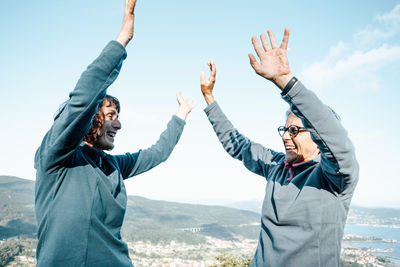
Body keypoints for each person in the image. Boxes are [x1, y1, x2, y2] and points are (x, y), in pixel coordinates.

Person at [34, 1, 194, 266]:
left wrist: (181, 116)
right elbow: (82, 100)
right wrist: (122, 39)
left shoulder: (112, 165)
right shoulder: (56, 157)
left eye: (117, 117)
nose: (118, 125)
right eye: (110, 116)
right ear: (88, 119)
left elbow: (156, 153)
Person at [200, 28, 359, 267]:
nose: (285, 136)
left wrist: (285, 81)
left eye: (294, 131)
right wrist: (209, 99)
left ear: (317, 138)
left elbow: (335, 139)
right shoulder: (277, 166)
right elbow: (238, 145)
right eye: (284, 129)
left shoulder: (334, 180)